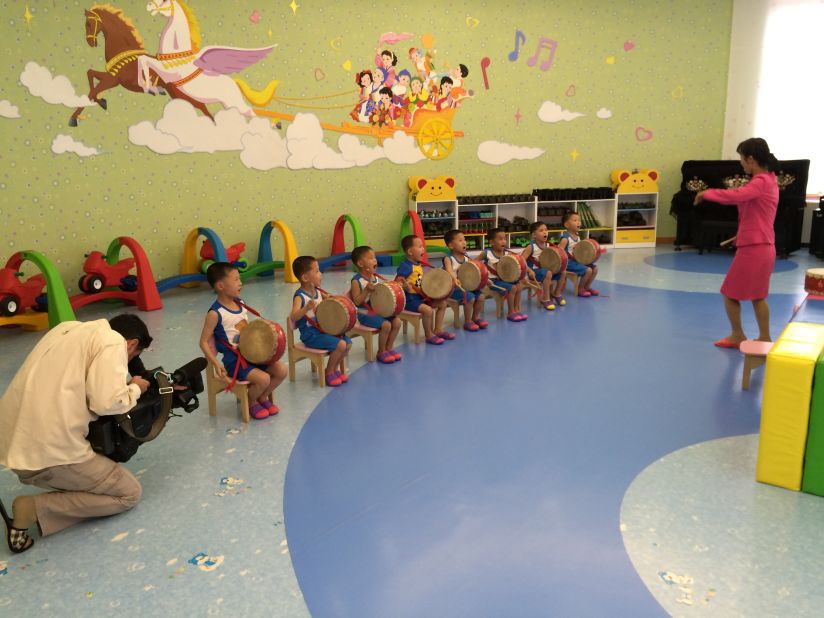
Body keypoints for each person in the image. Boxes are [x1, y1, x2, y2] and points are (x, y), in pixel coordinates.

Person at [0, 314, 153, 553]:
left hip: (10, 439)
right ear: (132, 344)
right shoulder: (113, 341)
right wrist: (134, 387)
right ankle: (33, 509)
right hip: (46, 453)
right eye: (132, 356)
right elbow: (106, 403)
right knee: (129, 493)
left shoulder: (67, 329)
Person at [694, 137, 780, 348]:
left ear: (750, 159)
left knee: (730, 293)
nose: (740, 163)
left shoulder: (760, 182)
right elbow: (755, 213)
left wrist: (707, 193)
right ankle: (765, 338)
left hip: (755, 248)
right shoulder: (770, 179)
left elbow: (736, 196)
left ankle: (737, 335)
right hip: (763, 245)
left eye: (741, 158)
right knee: (758, 296)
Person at [199, 262, 286, 419]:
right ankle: (251, 400)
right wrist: (216, 363)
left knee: (281, 370)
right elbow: (203, 342)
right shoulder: (215, 313)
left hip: (250, 355)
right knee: (264, 379)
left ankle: (262, 397)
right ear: (220, 286)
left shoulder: (241, 303)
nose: (240, 283)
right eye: (236, 279)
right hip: (234, 362)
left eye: (239, 279)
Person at [290, 255, 352, 386]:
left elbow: (329, 302)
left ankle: (334, 369)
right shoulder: (300, 297)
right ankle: (328, 372)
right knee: (340, 345)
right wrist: (306, 308)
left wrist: (331, 298)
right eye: (317, 271)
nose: (321, 274)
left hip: (322, 330)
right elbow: (294, 316)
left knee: (347, 343)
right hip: (310, 335)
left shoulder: (318, 292)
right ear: (305, 278)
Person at [350, 245, 402, 364]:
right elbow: (357, 301)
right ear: (361, 263)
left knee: (397, 322)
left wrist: (395, 286)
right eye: (371, 258)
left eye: (375, 258)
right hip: (363, 312)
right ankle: (381, 351)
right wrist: (367, 290)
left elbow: (382, 293)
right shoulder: (356, 280)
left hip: (376, 310)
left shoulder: (375, 277)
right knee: (386, 325)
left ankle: (389, 348)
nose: (375, 260)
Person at [396, 235, 451, 345]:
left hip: (420, 297)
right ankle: (429, 334)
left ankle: (438, 329)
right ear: (410, 251)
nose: (423, 249)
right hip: (410, 300)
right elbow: (397, 283)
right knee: (428, 310)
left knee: (442, 303)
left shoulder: (417, 264)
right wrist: (403, 286)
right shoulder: (406, 266)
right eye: (420, 247)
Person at [442, 229, 487, 331]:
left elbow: (475, 270)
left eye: (464, 240)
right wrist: (454, 278)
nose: (464, 242)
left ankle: (475, 317)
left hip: (466, 286)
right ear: (451, 246)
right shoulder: (448, 258)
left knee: (480, 297)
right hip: (453, 288)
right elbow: (449, 271)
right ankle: (467, 322)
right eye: (460, 240)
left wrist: (484, 279)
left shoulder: (466, 257)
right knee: (470, 297)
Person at [482, 228, 527, 321]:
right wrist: (485, 279)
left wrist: (526, 273)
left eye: (505, 239)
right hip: (493, 282)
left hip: (505, 280)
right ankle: (510, 312)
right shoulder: (487, 253)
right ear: (492, 242)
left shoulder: (508, 253)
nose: (504, 241)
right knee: (513, 288)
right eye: (500, 239)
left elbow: (517, 266)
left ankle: (516, 310)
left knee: (519, 285)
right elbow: (475, 265)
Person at [521, 222, 568, 310]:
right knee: (548, 273)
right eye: (541, 230)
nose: (545, 232)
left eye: (546, 230)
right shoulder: (531, 247)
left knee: (563, 271)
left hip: (545, 271)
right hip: (534, 273)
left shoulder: (548, 245)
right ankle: (545, 298)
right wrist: (529, 271)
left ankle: (556, 293)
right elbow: (521, 261)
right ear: (534, 235)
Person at [559, 212, 599, 297]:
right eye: (575, 220)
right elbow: (559, 253)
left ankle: (587, 287)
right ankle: (580, 289)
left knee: (595, 269)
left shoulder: (577, 236)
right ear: (566, 224)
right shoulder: (565, 239)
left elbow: (580, 250)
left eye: (579, 220)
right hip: (568, 263)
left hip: (577, 261)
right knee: (588, 270)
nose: (578, 222)